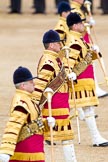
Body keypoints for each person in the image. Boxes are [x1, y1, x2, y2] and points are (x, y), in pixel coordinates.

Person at [65, 12, 108, 147]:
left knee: (80, 110)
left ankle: (96, 138)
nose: (83, 25)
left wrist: (94, 52)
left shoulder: (78, 38)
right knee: (83, 110)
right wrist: (70, 74)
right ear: (75, 25)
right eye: (80, 23)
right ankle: (95, 138)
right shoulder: (74, 41)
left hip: (84, 80)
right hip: (80, 81)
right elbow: (69, 63)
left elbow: (85, 57)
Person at [34, 30, 77, 162]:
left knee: (65, 137)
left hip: (60, 104)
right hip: (54, 106)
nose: (60, 45)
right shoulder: (49, 61)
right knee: (65, 137)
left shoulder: (55, 59)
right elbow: (40, 85)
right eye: (59, 43)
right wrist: (35, 106)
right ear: (52, 45)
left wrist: (70, 77)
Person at [0, 66, 55, 162]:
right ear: (23, 85)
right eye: (31, 82)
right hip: (26, 153)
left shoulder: (28, 99)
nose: (34, 84)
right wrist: (6, 150)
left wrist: (46, 123)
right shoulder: (21, 101)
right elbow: (13, 126)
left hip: (33, 152)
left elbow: (32, 121)